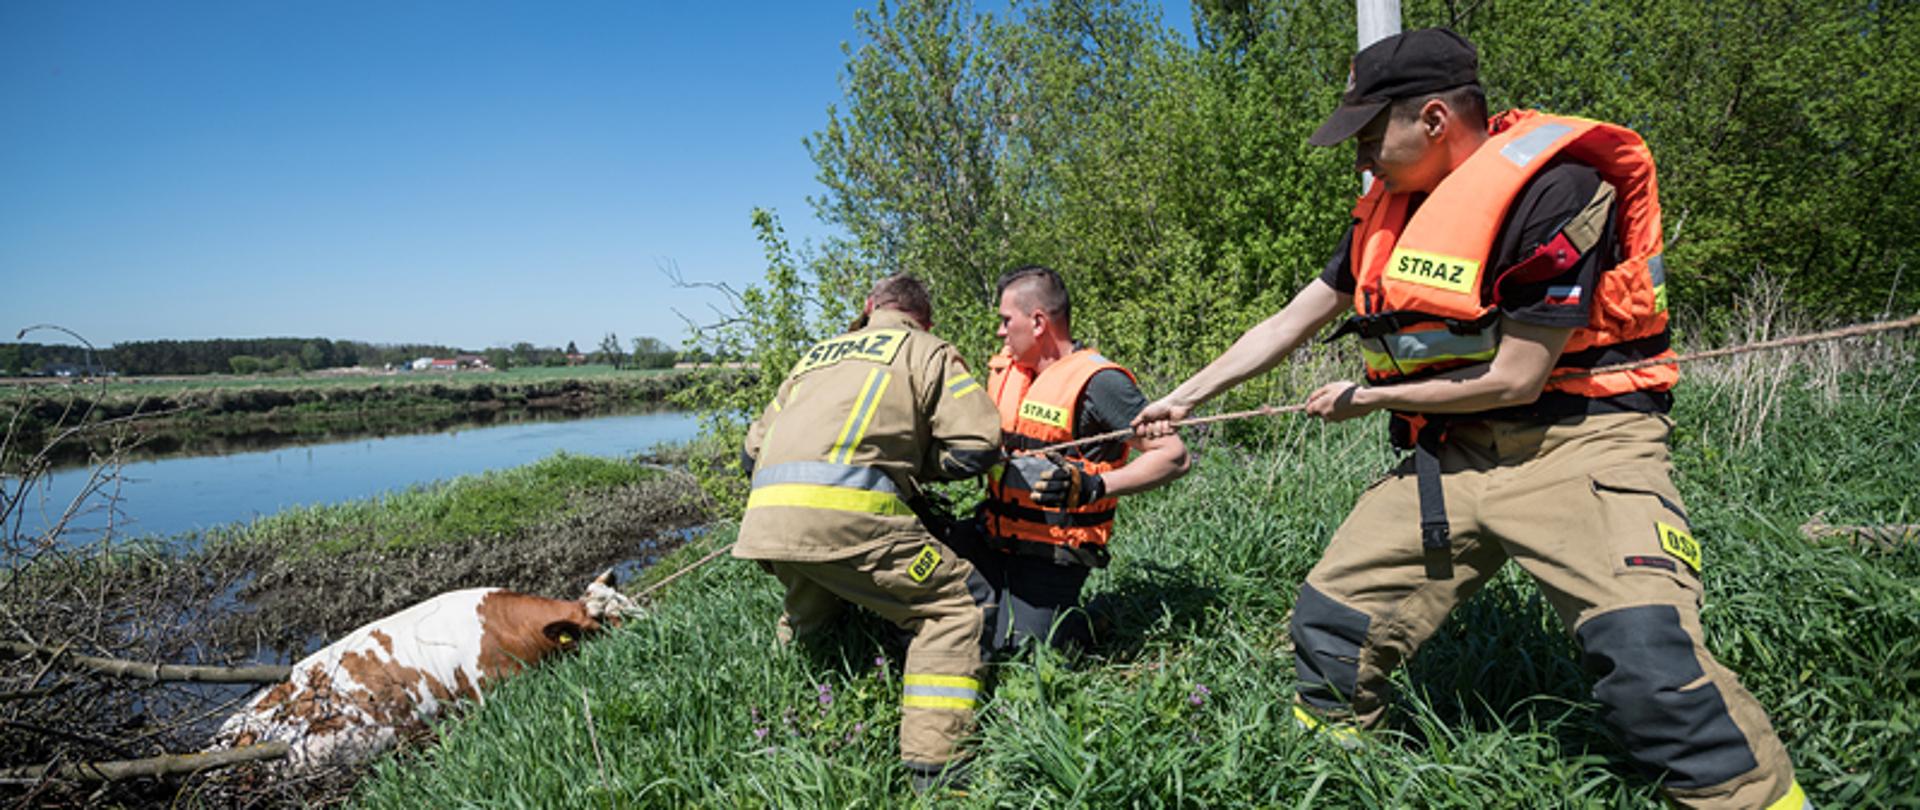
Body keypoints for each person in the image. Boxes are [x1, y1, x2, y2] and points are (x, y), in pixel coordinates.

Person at [1132, 28, 1806, 810]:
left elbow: (1517, 377)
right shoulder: (1386, 212)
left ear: (1434, 119)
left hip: (1580, 443)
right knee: (1330, 626)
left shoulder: (1559, 192)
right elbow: (1292, 320)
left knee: (1650, 666)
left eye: (1370, 136)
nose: (1360, 159)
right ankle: (1337, 781)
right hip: (1454, 452)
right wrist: (1187, 396)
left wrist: (1373, 399)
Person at [732, 273, 1003, 791]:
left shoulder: (815, 356)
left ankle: (776, 708)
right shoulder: (927, 350)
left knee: (813, 605)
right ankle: (936, 768)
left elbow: (750, 454)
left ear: (869, 305)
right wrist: (914, 465)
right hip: (848, 518)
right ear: (924, 319)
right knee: (955, 606)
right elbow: (979, 445)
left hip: (765, 519)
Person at [970, 265, 1189, 653]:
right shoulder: (1007, 372)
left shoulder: (1099, 383)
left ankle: (1086, 622)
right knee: (934, 600)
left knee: (1018, 654)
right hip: (993, 534)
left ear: (1038, 323)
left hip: (1052, 554)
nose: (1001, 332)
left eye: (1006, 321)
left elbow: (1174, 456)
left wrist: (1094, 486)